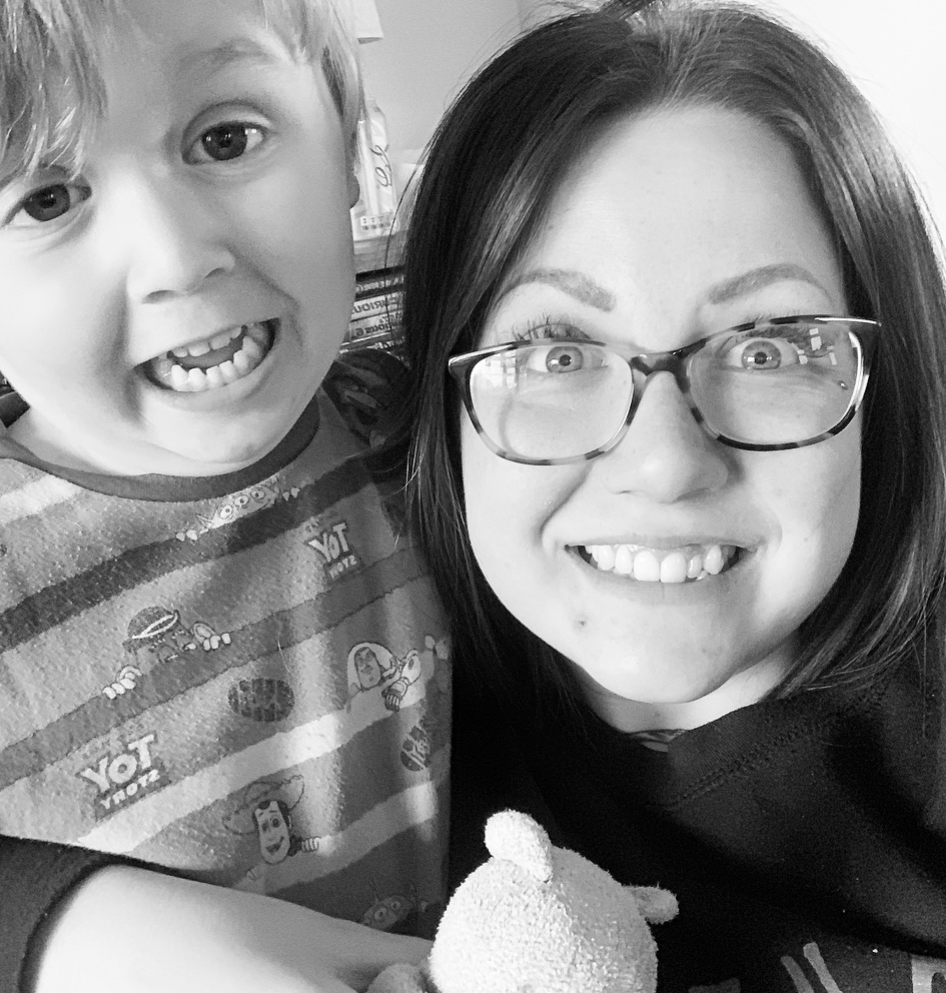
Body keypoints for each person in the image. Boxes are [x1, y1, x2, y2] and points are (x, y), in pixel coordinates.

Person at [0, 0, 448, 986]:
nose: (178, 255)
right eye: (46, 199)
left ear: (342, 146)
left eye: (226, 138)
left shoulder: (401, 434)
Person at [399, 1, 946, 990]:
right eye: (556, 351)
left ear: (887, 391)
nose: (665, 463)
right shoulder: (365, 758)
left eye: (768, 347)